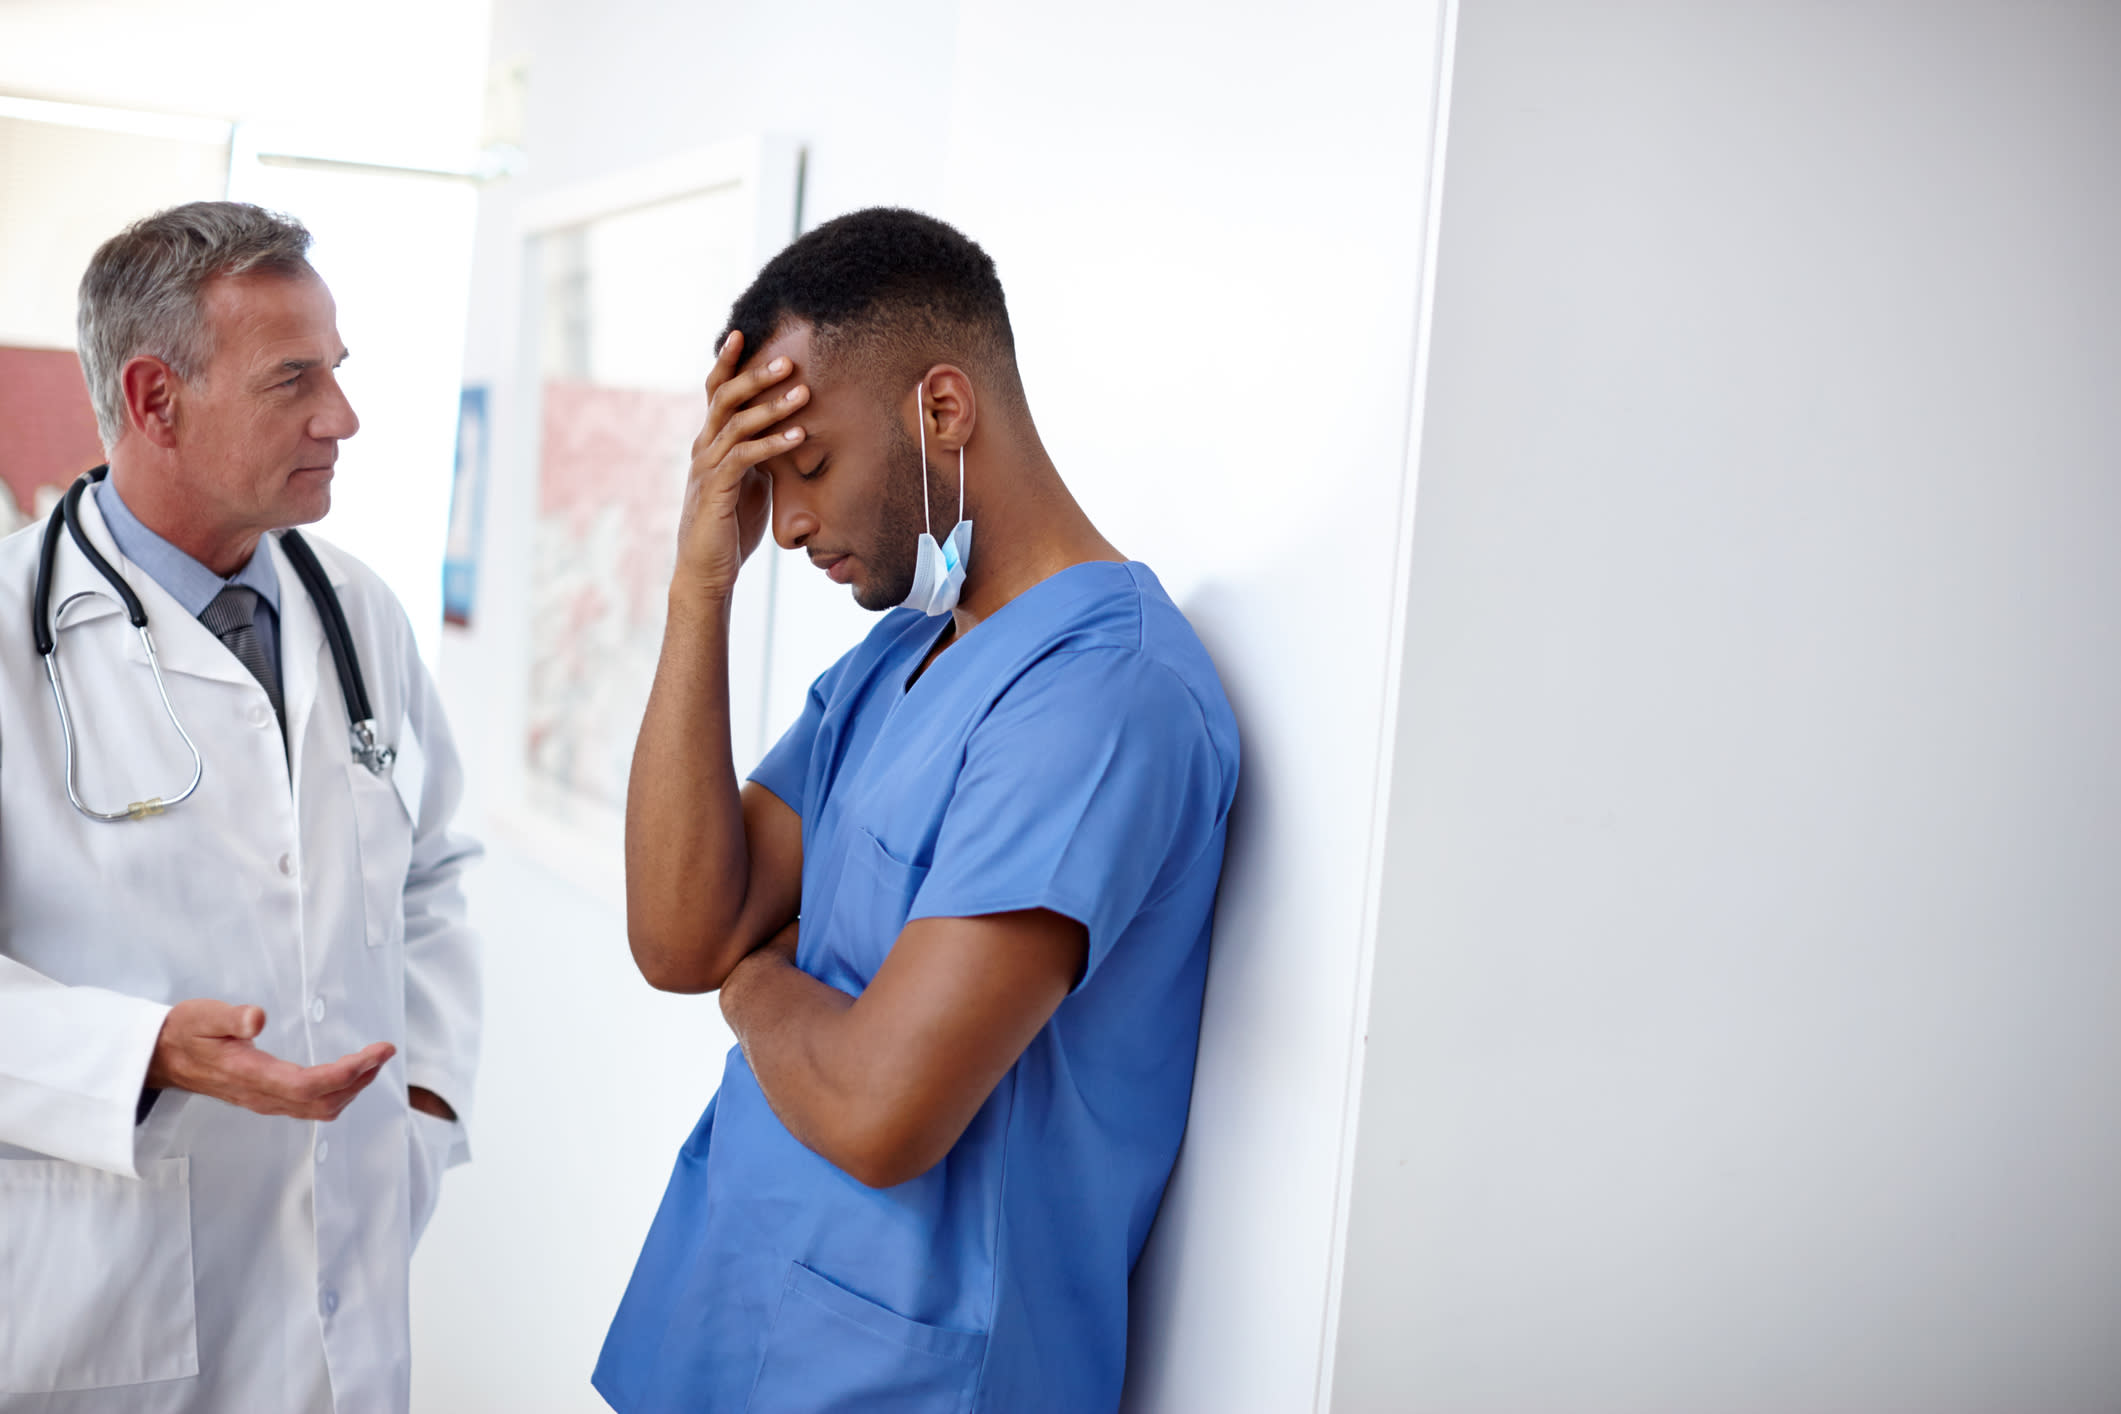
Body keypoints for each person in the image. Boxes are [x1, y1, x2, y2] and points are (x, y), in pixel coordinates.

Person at [595, 208, 1239, 1412]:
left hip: (907, 1376)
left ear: (941, 411)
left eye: (810, 467)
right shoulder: (897, 661)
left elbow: (878, 1108)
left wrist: (757, 984)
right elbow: (681, 937)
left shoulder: (1104, 697)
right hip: (724, 1323)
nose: (785, 525)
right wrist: (699, 583)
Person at [0, 202, 481, 1413]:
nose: (343, 416)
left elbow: (436, 874)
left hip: (346, 1278)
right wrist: (140, 1052)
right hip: (99, 1293)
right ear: (156, 399)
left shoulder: (357, 609)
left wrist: (425, 1103)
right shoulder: (13, 633)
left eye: (339, 370)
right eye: (294, 380)